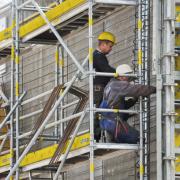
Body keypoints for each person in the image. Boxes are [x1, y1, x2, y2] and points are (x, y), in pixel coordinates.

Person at [99, 64, 156, 144]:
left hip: (108, 122)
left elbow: (119, 105)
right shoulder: (118, 85)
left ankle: (113, 138)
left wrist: (133, 100)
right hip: (114, 123)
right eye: (128, 77)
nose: (129, 81)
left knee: (135, 139)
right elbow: (136, 89)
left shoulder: (110, 85)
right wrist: (155, 89)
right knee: (139, 139)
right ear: (121, 77)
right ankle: (114, 138)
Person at [93, 32, 116, 142]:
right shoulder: (98, 56)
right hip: (99, 88)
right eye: (110, 46)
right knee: (98, 109)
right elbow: (105, 69)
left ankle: (100, 133)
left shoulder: (99, 56)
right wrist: (118, 72)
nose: (111, 49)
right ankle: (96, 135)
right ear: (103, 44)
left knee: (101, 109)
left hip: (101, 87)